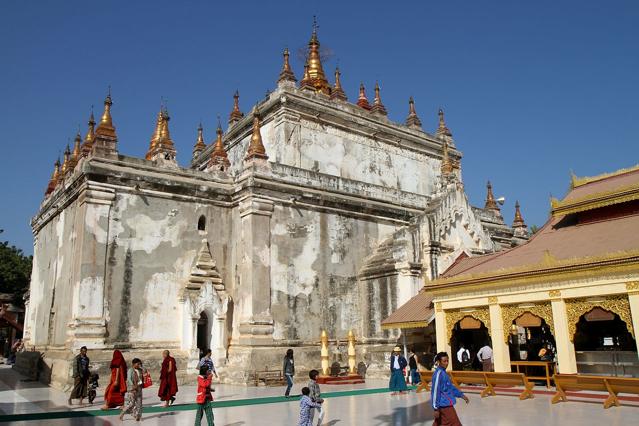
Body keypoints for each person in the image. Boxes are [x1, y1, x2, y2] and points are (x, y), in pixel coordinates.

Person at [432, 352, 469, 426]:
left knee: (439, 423)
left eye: (447, 361)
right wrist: (436, 408)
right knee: (455, 423)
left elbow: (450, 387)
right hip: (444, 405)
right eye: (444, 361)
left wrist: (461, 395)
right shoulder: (438, 374)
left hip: (446, 403)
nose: (446, 363)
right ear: (439, 362)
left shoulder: (444, 373)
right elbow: (435, 391)